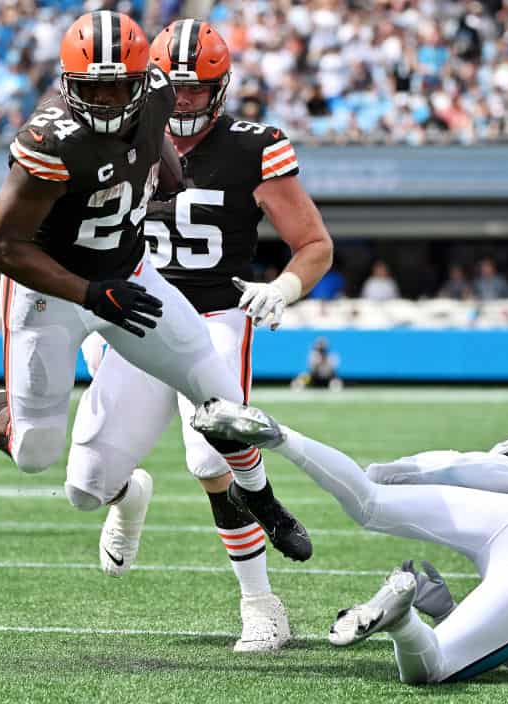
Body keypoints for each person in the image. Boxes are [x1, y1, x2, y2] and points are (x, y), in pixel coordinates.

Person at [0, 11, 311, 566]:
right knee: (35, 452)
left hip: (127, 274)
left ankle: (265, 501)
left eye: (118, 85)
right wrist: (87, 294)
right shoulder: (48, 142)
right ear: (67, 84)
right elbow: (4, 249)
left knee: (212, 381)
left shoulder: (155, 94)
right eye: (92, 87)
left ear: (143, 80)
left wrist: (167, 180)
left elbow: (157, 145)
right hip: (49, 291)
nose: (106, 99)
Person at [70, 18, 333, 652]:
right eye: (175, 88)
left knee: (210, 455)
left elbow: (314, 245)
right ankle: (127, 493)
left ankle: (261, 603)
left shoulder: (254, 147)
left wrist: (285, 288)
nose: (185, 100)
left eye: (199, 88)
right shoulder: (111, 137)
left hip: (214, 313)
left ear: (221, 87)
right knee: (85, 488)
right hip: (136, 316)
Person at [192, 399, 508, 685]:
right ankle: (402, 621)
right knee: (432, 668)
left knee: (370, 503)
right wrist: (445, 609)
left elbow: (451, 467)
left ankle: (281, 436)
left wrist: (380, 474)